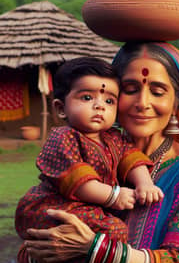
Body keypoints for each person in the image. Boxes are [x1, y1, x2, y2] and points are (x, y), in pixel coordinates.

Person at [17, 42, 179, 263]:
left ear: (177, 103)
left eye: (157, 92)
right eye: (130, 89)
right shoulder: (86, 152)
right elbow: (32, 250)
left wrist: (93, 248)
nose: (142, 103)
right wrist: (48, 258)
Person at [15, 56, 164, 242]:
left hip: (90, 209)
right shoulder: (63, 137)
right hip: (58, 207)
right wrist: (114, 196)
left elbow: (132, 159)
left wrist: (145, 184)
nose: (99, 106)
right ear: (61, 108)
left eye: (109, 101)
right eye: (87, 98)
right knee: (114, 230)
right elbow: (76, 181)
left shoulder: (114, 137)